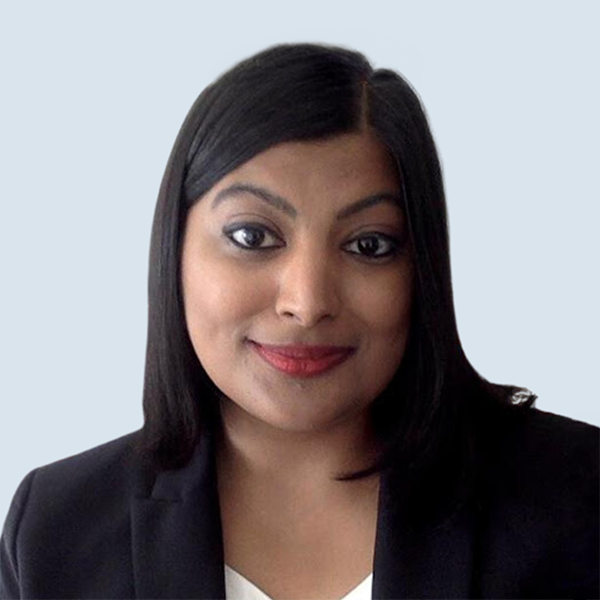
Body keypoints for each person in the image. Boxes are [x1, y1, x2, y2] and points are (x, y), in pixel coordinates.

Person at [0, 42, 597, 600]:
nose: (308, 301)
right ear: (174, 252)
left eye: (369, 246)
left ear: (423, 270)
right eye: (253, 236)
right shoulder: (55, 529)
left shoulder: (577, 500)